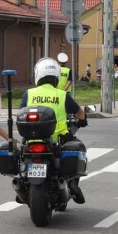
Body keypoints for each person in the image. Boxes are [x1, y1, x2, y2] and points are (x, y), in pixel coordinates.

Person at [20, 57, 88, 204]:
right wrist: (83, 120)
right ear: (57, 77)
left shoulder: (29, 93)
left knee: (22, 155)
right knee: (78, 148)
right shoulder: (62, 95)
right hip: (58, 139)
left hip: (32, 139)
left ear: (38, 75)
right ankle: (73, 184)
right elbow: (79, 112)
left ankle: (21, 184)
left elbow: (21, 113)